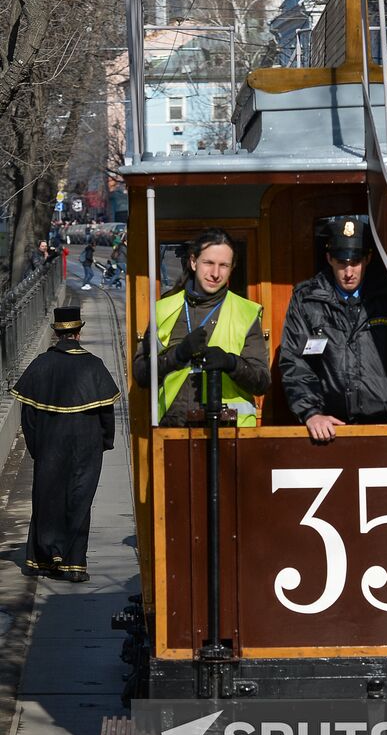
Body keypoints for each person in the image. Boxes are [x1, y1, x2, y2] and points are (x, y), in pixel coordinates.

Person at [279, 216, 387, 441]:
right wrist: (311, 413)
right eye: (342, 262)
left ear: (368, 259)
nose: (349, 272)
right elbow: (295, 361)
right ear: (329, 259)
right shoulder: (306, 300)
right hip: (327, 427)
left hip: (386, 423)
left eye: (355, 262)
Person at [11, 306, 120, 582]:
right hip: (86, 445)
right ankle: (74, 565)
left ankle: (42, 560)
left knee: (46, 498)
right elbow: (106, 414)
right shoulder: (94, 366)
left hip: (49, 443)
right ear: (78, 333)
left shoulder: (41, 365)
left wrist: (37, 447)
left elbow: (28, 417)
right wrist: (104, 442)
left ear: (56, 333)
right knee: (79, 499)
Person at [133, 228, 271, 426]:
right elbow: (141, 374)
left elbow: (262, 382)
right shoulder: (163, 310)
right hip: (173, 431)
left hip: (230, 432)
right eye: (209, 263)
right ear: (193, 262)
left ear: (232, 268)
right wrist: (177, 355)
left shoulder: (246, 313)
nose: (215, 274)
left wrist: (231, 363)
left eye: (224, 265)